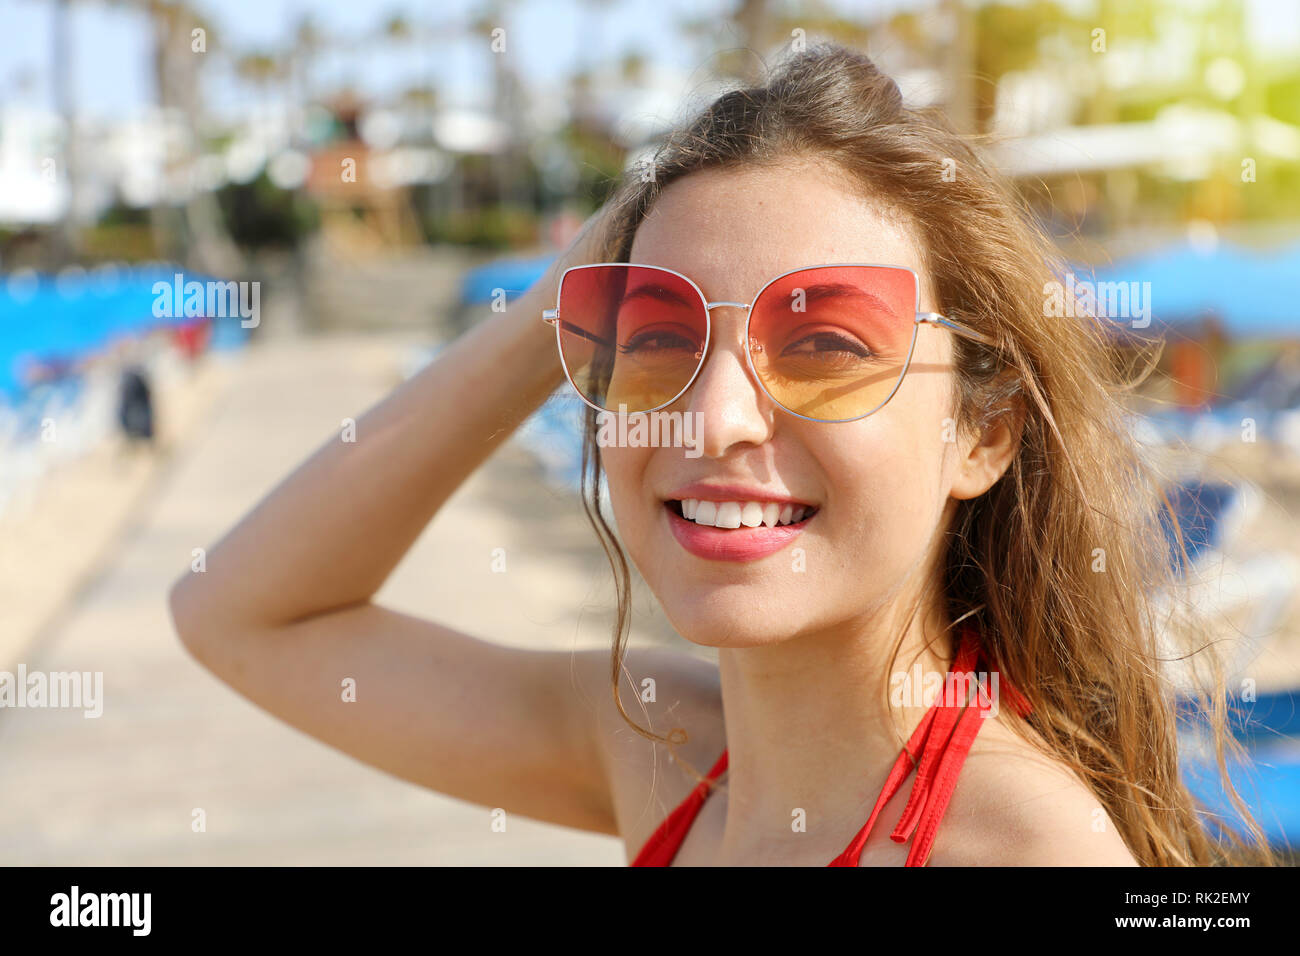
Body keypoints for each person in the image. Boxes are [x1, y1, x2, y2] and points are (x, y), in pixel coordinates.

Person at [170, 45, 1272, 866]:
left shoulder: (1026, 851)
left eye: (828, 341)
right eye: (653, 336)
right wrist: (576, 290)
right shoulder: (657, 746)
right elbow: (239, 612)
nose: (712, 420)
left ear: (980, 432)